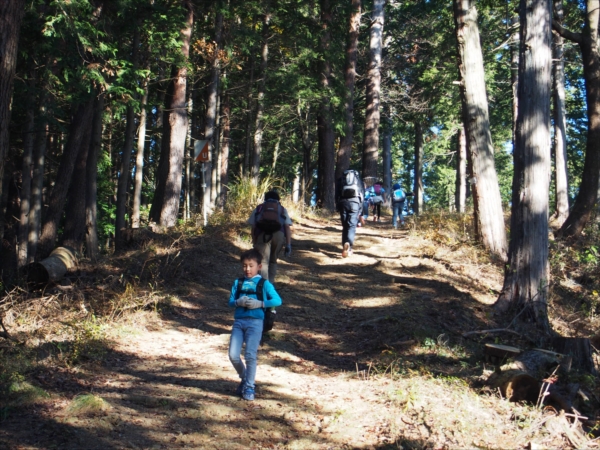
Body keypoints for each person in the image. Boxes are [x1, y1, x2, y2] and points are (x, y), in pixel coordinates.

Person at [228, 249, 282, 401]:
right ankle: (245, 379)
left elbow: (278, 300)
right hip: (239, 322)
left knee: (250, 355)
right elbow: (230, 301)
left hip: (256, 323)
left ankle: (250, 386)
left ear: (259, 266)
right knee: (233, 355)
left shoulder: (264, 284)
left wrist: (261, 303)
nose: (247, 269)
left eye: (251, 265)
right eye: (244, 266)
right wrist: (238, 302)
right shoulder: (238, 283)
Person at [248, 191, 292, 284]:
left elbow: (253, 226)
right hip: (278, 234)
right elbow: (287, 227)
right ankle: (270, 285)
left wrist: (254, 241)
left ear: (265, 198)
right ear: (278, 199)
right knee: (273, 261)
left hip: (262, 235)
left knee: (263, 261)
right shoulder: (282, 209)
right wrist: (288, 244)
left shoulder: (259, 208)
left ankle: (264, 285)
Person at [335, 169, 365, 257]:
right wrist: (361, 211)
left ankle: (344, 246)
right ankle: (349, 247)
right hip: (355, 203)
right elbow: (362, 195)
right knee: (351, 226)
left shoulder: (341, 180)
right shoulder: (359, 181)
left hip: (343, 203)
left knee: (345, 226)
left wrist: (337, 205)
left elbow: (336, 194)